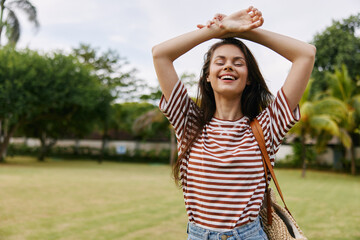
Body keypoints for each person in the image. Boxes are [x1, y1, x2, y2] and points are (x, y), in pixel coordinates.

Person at [152, 6, 316, 240]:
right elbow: (160, 54)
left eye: (238, 62)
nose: (228, 66)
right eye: (220, 61)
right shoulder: (189, 123)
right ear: (208, 76)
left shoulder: (268, 127)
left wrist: (243, 31)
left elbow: (306, 54)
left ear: (249, 78)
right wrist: (217, 30)